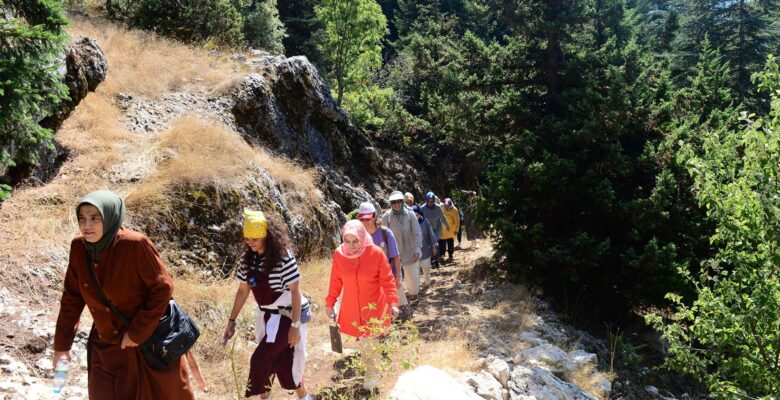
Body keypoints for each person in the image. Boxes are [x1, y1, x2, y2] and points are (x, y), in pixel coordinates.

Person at [53, 190, 194, 400]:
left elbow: (162, 288)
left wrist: (136, 333)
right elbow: (72, 298)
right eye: (82, 218)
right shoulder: (79, 248)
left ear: (110, 217)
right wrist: (62, 347)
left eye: (94, 218)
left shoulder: (135, 245)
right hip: (105, 346)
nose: (86, 225)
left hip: (144, 347)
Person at [223, 210, 311, 400]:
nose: (250, 242)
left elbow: (295, 291)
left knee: (260, 359)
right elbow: (243, 290)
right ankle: (304, 397)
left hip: (288, 316)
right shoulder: (248, 260)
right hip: (268, 316)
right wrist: (232, 320)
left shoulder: (283, 258)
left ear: (267, 235)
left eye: (255, 238)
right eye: (247, 238)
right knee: (282, 360)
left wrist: (295, 326)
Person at [325, 220, 400, 390]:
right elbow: (335, 281)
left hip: (373, 305)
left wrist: (393, 302)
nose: (351, 246)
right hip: (352, 307)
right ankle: (373, 368)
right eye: (347, 241)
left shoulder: (376, 253)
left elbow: (388, 280)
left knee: (368, 341)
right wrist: (330, 303)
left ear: (362, 237)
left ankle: (372, 375)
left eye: (355, 241)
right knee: (364, 341)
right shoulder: (339, 254)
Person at [357, 202, 408, 309]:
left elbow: (396, 256)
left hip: (389, 277)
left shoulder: (386, 233)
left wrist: (398, 276)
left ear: (374, 216)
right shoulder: (358, 236)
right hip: (370, 281)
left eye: (368, 219)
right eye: (362, 219)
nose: (365, 222)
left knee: (398, 306)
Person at [382, 191, 422, 304]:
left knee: (413, 278)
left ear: (402, 201)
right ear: (391, 203)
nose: (397, 204)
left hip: (410, 251)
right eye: (393, 202)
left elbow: (417, 232)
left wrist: (417, 249)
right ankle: (402, 304)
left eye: (399, 201)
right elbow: (383, 237)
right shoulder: (387, 217)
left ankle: (414, 295)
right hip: (394, 253)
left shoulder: (410, 213)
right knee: (396, 279)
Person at [411, 204, 438, 288]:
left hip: (425, 249)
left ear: (420, 214)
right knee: (415, 271)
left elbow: (431, 234)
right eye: (413, 215)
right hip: (413, 251)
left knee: (426, 268)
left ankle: (427, 281)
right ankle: (416, 287)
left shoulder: (425, 221)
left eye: (417, 215)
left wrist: (434, 245)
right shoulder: (408, 224)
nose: (416, 217)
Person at [421, 192, 449, 267]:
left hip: (436, 228)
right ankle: (429, 261)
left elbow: (442, 217)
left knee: (435, 244)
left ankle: (436, 260)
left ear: (434, 201)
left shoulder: (438, 208)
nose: (430, 203)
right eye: (429, 201)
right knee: (427, 245)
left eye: (432, 201)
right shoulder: (423, 208)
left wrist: (447, 225)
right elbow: (418, 218)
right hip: (426, 229)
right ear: (426, 201)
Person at [439, 198, 460, 263]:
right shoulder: (440, 208)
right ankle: (442, 256)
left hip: (450, 231)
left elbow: (457, 221)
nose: (446, 208)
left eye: (448, 206)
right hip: (441, 231)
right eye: (445, 206)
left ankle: (450, 256)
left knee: (450, 243)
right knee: (441, 244)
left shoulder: (454, 210)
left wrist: (456, 229)